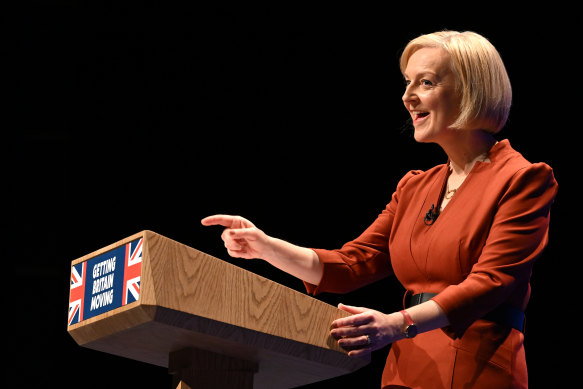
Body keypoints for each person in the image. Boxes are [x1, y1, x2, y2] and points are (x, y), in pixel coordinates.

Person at [201, 30, 557, 389]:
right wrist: (264, 246)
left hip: (477, 364)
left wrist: (395, 323)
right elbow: (352, 264)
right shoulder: (414, 186)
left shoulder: (522, 178)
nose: (407, 96)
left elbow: (493, 282)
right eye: (407, 83)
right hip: (406, 367)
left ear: (470, 90)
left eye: (427, 82)